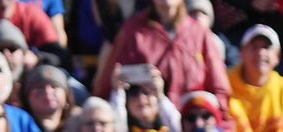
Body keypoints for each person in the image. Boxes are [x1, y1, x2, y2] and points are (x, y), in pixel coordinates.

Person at [94, 0, 230, 111]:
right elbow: (105, 89)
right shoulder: (133, 31)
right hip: (147, 124)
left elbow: (220, 90)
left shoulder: (199, 32)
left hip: (192, 123)